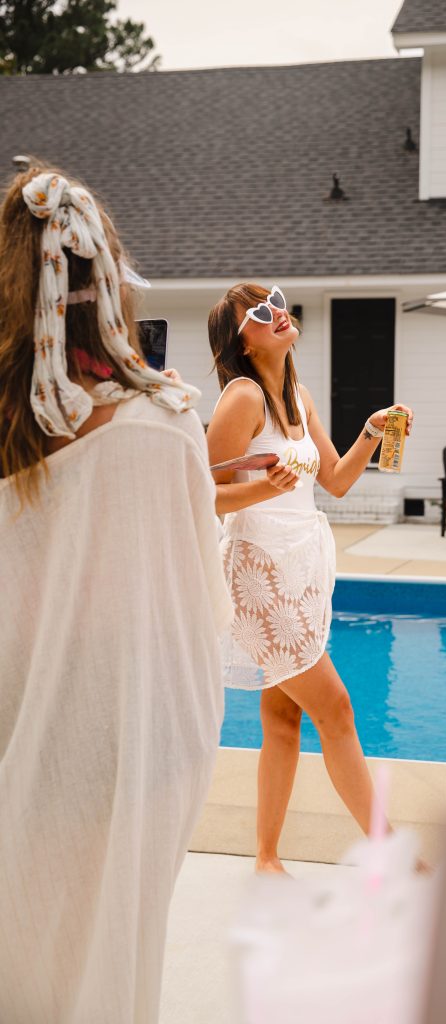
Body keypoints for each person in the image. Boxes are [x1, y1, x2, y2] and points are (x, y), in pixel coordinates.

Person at [0, 168, 232, 1023]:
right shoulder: (164, 423)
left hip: (20, 725)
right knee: (111, 950)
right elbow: (200, 597)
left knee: (24, 946)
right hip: (136, 737)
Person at [207, 283, 413, 872]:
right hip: (260, 577)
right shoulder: (243, 397)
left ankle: (266, 856)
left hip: (298, 569)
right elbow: (201, 493)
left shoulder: (296, 395)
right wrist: (260, 488)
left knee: (283, 717)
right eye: (260, 311)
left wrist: (372, 430)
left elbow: (337, 480)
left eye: (277, 300)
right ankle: (389, 851)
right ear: (242, 342)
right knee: (337, 710)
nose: (277, 313)